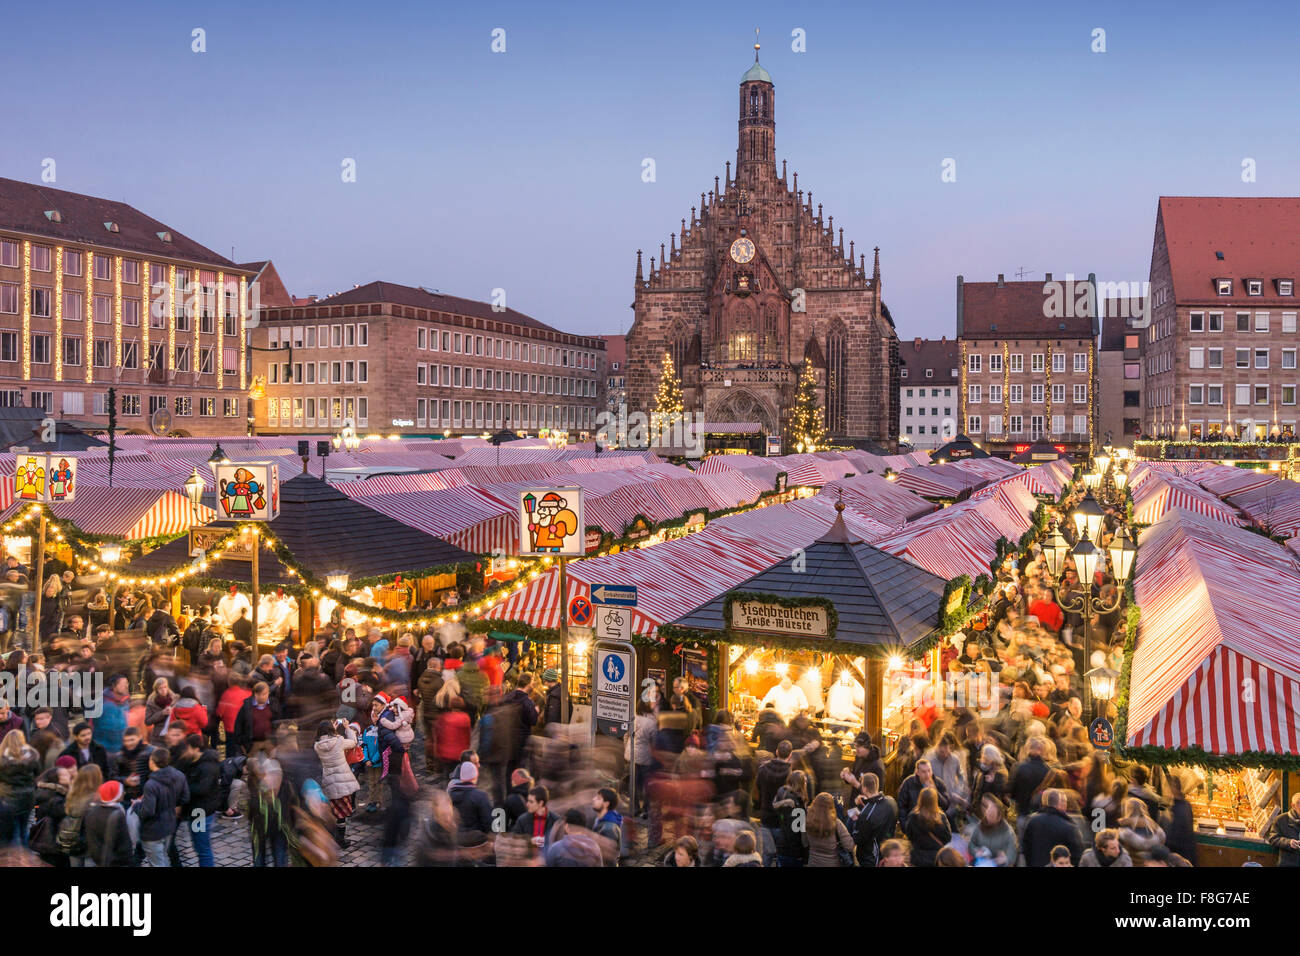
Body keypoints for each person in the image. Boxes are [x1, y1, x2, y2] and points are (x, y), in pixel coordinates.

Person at [135, 747, 189, 867]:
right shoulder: (179, 775)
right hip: (169, 825)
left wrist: (137, 806)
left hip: (153, 831)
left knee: (157, 863)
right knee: (163, 858)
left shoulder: (151, 784)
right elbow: (185, 797)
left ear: (152, 762)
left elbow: (148, 811)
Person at [175, 734, 221, 867]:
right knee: (199, 845)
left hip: (200, 812)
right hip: (197, 810)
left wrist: (183, 787)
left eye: (187, 748)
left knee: (202, 847)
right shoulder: (192, 760)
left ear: (195, 749)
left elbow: (201, 789)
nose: (185, 752)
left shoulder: (207, 766)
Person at [314, 719, 360, 849]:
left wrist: (331, 730)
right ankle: (341, 840)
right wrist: (347, 728)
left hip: (328, 781)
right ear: (331, 729)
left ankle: (330, 837)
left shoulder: (317, 746)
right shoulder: (339, 741)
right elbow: (354, 742)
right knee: (342, 814)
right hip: (343, 781)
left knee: (332, 811)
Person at [247, 757, 296, 867]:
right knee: (259, 861)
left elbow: (291, 810)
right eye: (270, 775)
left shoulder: (286, 787)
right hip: (258, 830)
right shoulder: (256, 786)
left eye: (277, 776)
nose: (274, 780)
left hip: (279, 830)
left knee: (280, 859)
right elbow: (251, 811)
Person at [0, 728, 41, 847]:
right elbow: (38, 773)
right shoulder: (32, 757)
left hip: (8, 800)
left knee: (11, 833)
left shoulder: (2, 760)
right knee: (24, 830)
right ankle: (26, 856)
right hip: (28, 798)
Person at [1022, 788, 1083, 866]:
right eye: (1064, 802)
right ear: (1059, 804)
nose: (1065, 805)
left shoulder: (1033, 821)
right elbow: (1077, 855)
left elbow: (1026, 849)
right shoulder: (1069, 826)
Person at [848, 771, 897, 867]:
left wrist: (855, 820)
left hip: (872, 859)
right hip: (888, 852)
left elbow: (858, 839)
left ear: (865, 789)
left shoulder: (866, 814)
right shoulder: (892, 802)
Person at [84, 780, 134, 867]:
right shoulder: (117, 814)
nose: (124, 793)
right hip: (118, 859)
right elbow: (123, 840)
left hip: (99, 858)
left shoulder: (93, 811)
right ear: (115, 795)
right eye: (121, 791)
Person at [448, 760, 494, 850]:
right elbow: (488, 822)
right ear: (475, 776)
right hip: (475, 840)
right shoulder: (480, 796)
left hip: (455, 838)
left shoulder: (449, 794)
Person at [897, 758, 950, 830]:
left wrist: (935, 792)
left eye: (929, 770)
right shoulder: (908, 783)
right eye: (924, 772)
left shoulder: (938, 783)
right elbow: (901, 806)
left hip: (933, 827)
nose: (927, 774)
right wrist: (906, 826)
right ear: (917, 772)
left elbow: (945, 806)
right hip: (914, 825)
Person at [904, 786, 951, 867]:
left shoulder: (913, 817)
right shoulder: (941, 817)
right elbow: (948, 838)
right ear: (935, 800)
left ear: (920, 799)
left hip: (917, 857)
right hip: (936, 857)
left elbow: (909, 835)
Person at [966, 793, 1016, 867]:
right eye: (987, 815)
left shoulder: (1007, 832)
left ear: (999, 817)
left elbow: (1012, 853)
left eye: (992, 815)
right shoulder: (980, 826)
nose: (988, 819)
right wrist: (976, 852)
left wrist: (1005, 859)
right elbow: (971, 845)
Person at [806, 791, 854, 867]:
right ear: (832, 807)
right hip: (832, 863)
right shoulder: (836, 823)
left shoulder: (808, 820)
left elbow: (805, 842)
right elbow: (849, 846)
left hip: (813, 863)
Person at [511, 784, 560, 854]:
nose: (527, 804)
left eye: (531, 802)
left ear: (540, 803)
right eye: (527, 800)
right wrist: (529, 842)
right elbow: (513, 841)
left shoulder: (556, 821)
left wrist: (547, 842)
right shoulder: (522, 820)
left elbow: (561, 845)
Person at [1116, 797, 1166, 862]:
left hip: (1135, 862)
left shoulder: (1124, 832)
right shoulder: (1155, 828)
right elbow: (1163, 838)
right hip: (1154, 862)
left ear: (1127, 810)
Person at [93, 675, 132, 757]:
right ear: (114, 686)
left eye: (127, 683)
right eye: (123, 684)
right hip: (106, 751)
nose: (126, 686)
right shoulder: (103, 703)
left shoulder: (124, 701)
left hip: (123, 749)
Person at [113, 727, 154, 801]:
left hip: (148, 795)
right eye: (126, 741)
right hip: (126, 797)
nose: (129, 743)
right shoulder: (120, 756)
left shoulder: (151, 752)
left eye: (132, 740)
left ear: (140, 737)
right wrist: (125, 781)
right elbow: (113, 777)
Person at [1266, 792, 1300, 867]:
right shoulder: (1281, 819)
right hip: (1288, 863)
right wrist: (1289, 843)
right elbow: (1273, 838)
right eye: (1299, 803)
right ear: (1293, 805)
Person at [592, 787, 624, 863]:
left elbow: (610, 860)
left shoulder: (609, 829)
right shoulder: (599, 819)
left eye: (598, 798)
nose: (593, 799)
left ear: (606, 804)